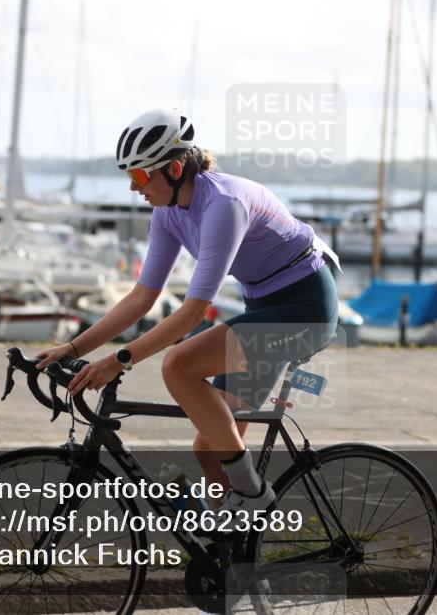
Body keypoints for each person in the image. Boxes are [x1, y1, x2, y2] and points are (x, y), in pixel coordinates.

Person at [36, 108, 339, 517]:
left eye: (140, 176)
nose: (132, 187)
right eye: (129, 176)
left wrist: (119, 360)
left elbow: (194, 311)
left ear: (175, 168)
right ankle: (232, 558)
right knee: (210, 447)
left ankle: (252, 492)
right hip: (265, 306)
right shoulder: (167, 213)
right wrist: (73, 346)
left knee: (178, 364)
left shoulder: (223, 206)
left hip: (305, 309)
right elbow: (142, 297)